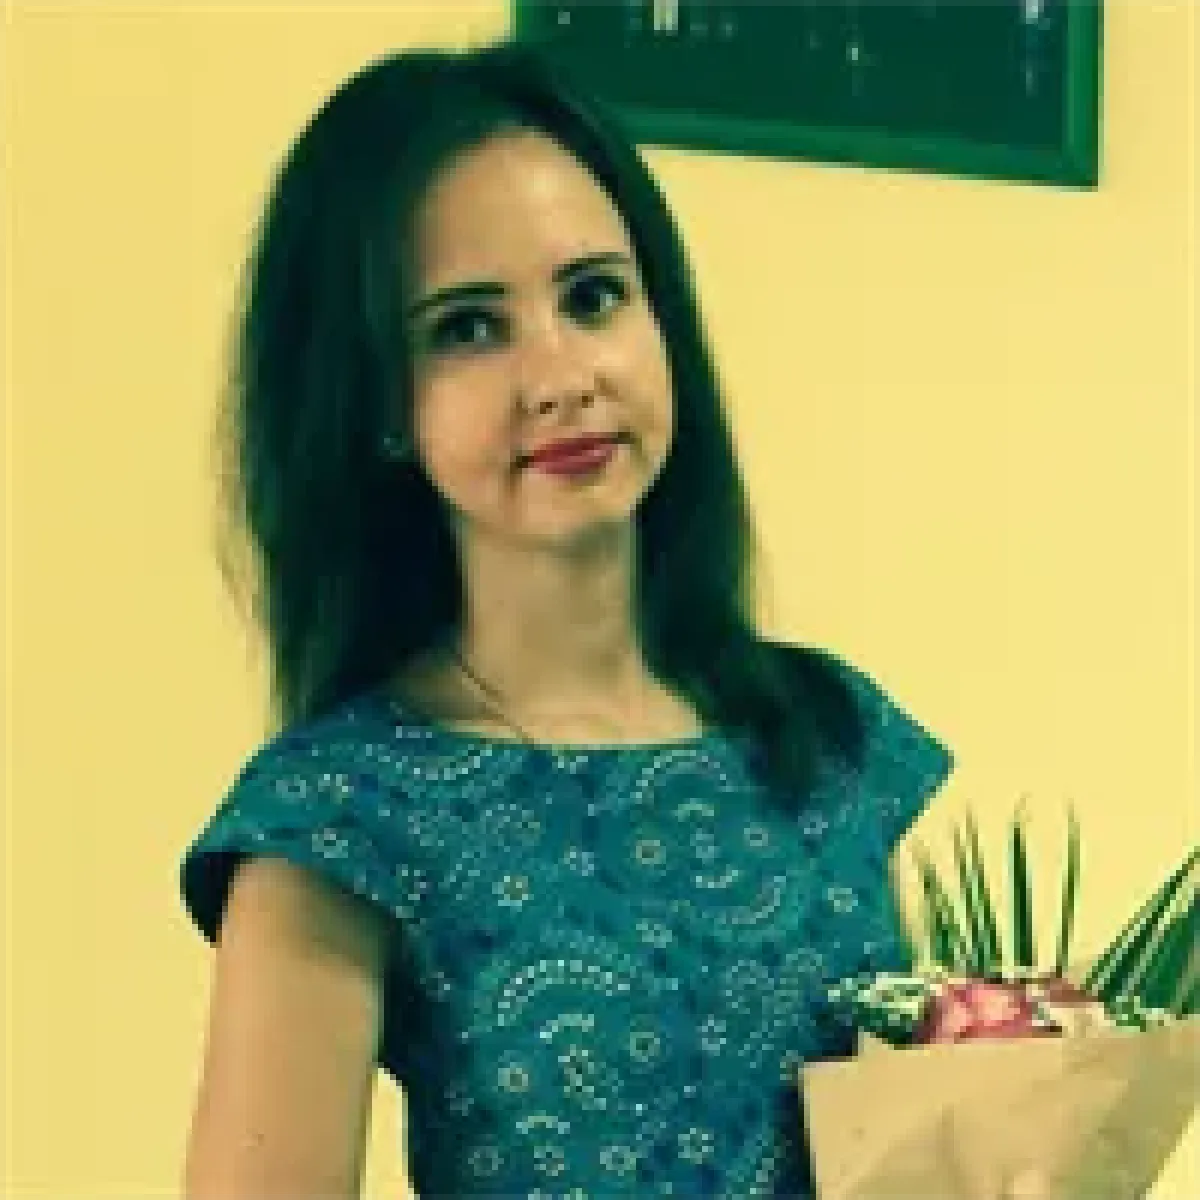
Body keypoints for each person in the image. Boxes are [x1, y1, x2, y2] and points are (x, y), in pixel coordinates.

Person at [179, 35, 953, 1199]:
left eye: (594, 298)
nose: (561, 377)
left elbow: (914, 1151)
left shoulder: (831, 737)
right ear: (378, 404)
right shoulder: (339, 814)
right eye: (467, 328)